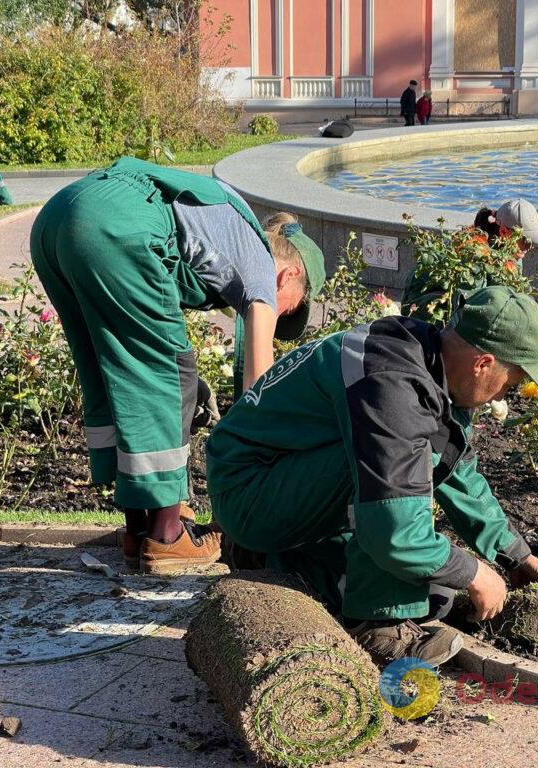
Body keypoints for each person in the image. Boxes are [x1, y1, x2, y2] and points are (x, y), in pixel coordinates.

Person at [206, 286, 538, 667]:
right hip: (249, 490)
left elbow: (459, 473)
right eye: (508, 384)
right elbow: (395, 529)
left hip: (280, 479)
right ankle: (376, 626)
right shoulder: (392, 388)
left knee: (436, 592)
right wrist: (475, 572)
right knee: (399, 487)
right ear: (483, 363)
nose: (501, 396)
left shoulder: (426, 359)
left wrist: (515, 555)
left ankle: (278, 557)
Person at [29, 158, 325, 575]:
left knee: (113, 370)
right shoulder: (261, 267)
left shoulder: (226, 231)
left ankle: (137, 532)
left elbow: (140, 345)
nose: (283, 316)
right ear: (289, 276)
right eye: (291, 307)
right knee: (171, 377)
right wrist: (256, 473)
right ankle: (167, 539)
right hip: (113, 223)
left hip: (57, 220)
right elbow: (258, 393)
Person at [403, 199, 538, 320]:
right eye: (526, 241)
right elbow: (469, 309)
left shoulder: (511, 251)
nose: (529, 247)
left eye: (533, 242)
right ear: (504, 231)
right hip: (421, 310)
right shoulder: (472, 253)